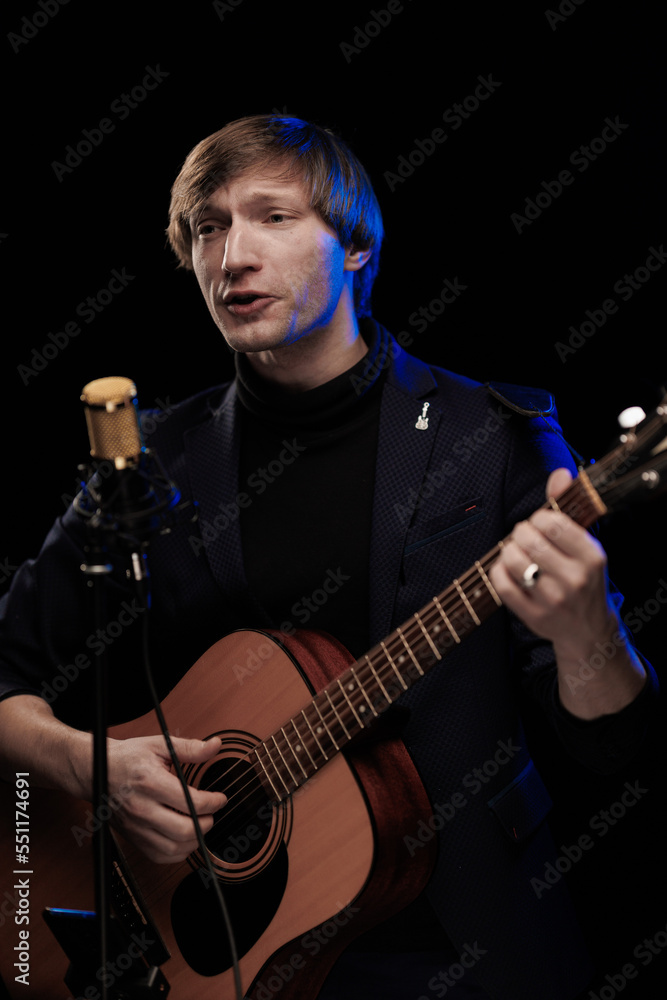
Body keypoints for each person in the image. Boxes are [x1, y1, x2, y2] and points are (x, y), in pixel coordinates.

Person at [0, 114, 658, 1000]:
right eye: (207, 226)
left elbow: (612, 750)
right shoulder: (149, 461)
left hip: (467, 945)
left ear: (355, 247)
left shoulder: (495, 434)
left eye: (272, 217)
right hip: (213, 957)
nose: (230, 255)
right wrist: (85, 763)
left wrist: (588, 634)